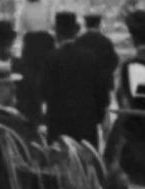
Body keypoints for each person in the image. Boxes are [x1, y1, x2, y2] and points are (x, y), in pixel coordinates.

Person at [43, 11, 109, 148]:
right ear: (76, 32)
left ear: (57, 33)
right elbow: (102, 92)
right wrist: (99, 116)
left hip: (58, 124)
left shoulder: (51, 59)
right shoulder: (90, 57)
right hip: (86, 124)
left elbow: (43, 92)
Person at [15, 0, 55, 128]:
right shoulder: (46, 7)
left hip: (31, 43)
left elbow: (19, 29)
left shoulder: (23, 9)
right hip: (45, 42)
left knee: (31, 78)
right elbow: (51, 24)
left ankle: (35, 109)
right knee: (47, 75)